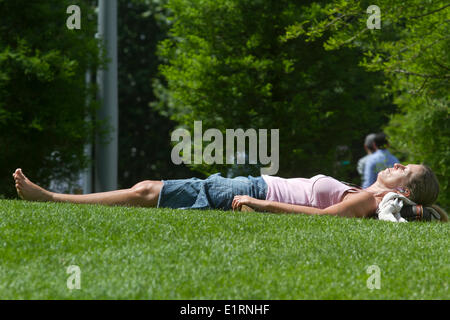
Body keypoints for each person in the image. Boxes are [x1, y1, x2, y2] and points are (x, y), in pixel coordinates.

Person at [12, 163, 448, 222]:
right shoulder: (368, 191)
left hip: (249, 189)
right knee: (146, 191)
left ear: (406, 188)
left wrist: (261, 204)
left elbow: (321, 219)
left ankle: (51, 199)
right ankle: (51, 198)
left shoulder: (368, 200)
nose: (393, 164)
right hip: (246, 184)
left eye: (402, 168)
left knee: (145, 191)